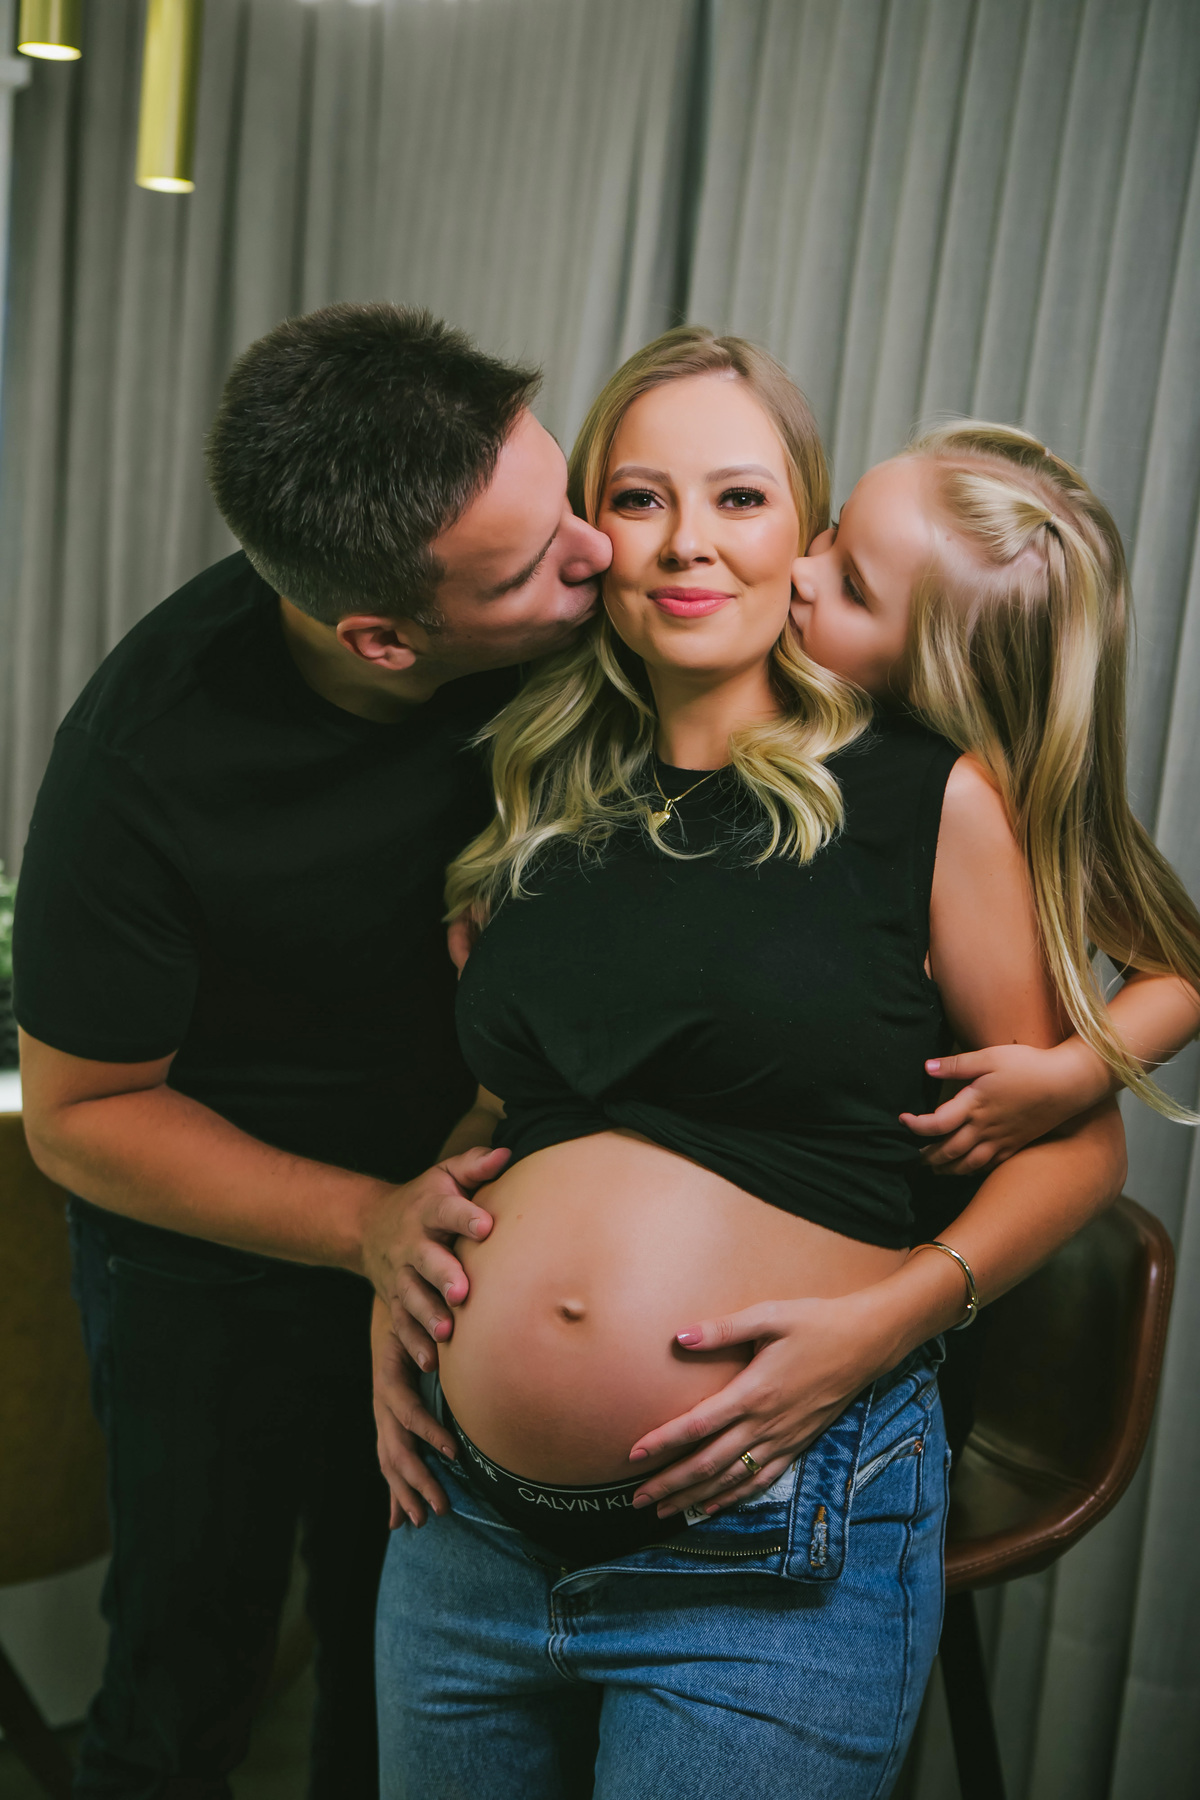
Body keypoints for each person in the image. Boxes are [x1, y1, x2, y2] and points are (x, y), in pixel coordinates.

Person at [370, 329, 1158, 1797]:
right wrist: (401, 1267)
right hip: (463, 1537)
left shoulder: (930, 798)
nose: (690, 543)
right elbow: (516, 1113)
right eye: (642, 497)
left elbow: (1079, 1145)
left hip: (774, 1545)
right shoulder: (535, 790)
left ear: (809, 531)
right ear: (593, 534)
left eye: (739, 498)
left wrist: (892, 1323)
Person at [12, 303, 610, 1800]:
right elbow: (82, 1117)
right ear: (385, 640)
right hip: (209, 1251)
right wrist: (364, 1223)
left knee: (401, 1661)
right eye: (532, 567)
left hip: (461, 1230)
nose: (597, 555)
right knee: (184, 1677)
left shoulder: (572, 618)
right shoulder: (140, 760)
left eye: (569, 500)